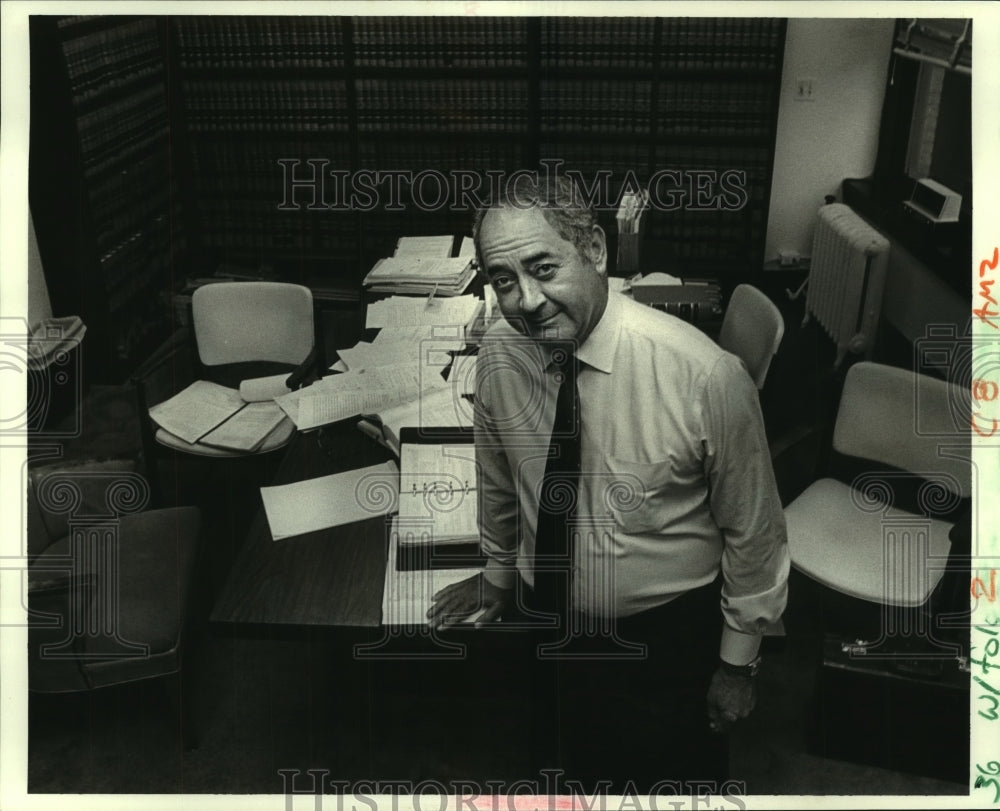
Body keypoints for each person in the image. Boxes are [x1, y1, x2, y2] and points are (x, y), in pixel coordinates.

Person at [427, 173, 789, 792]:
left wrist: (738, 666)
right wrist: (496, 571)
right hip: (548, 616)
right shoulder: (499, 354)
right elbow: (497, 477)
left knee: (670, 780)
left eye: (544, 268)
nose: (527, 301)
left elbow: (754, 535)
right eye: (503, 280)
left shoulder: (704, 377)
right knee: (565, 764)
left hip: (663, 636)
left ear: (595, 250)